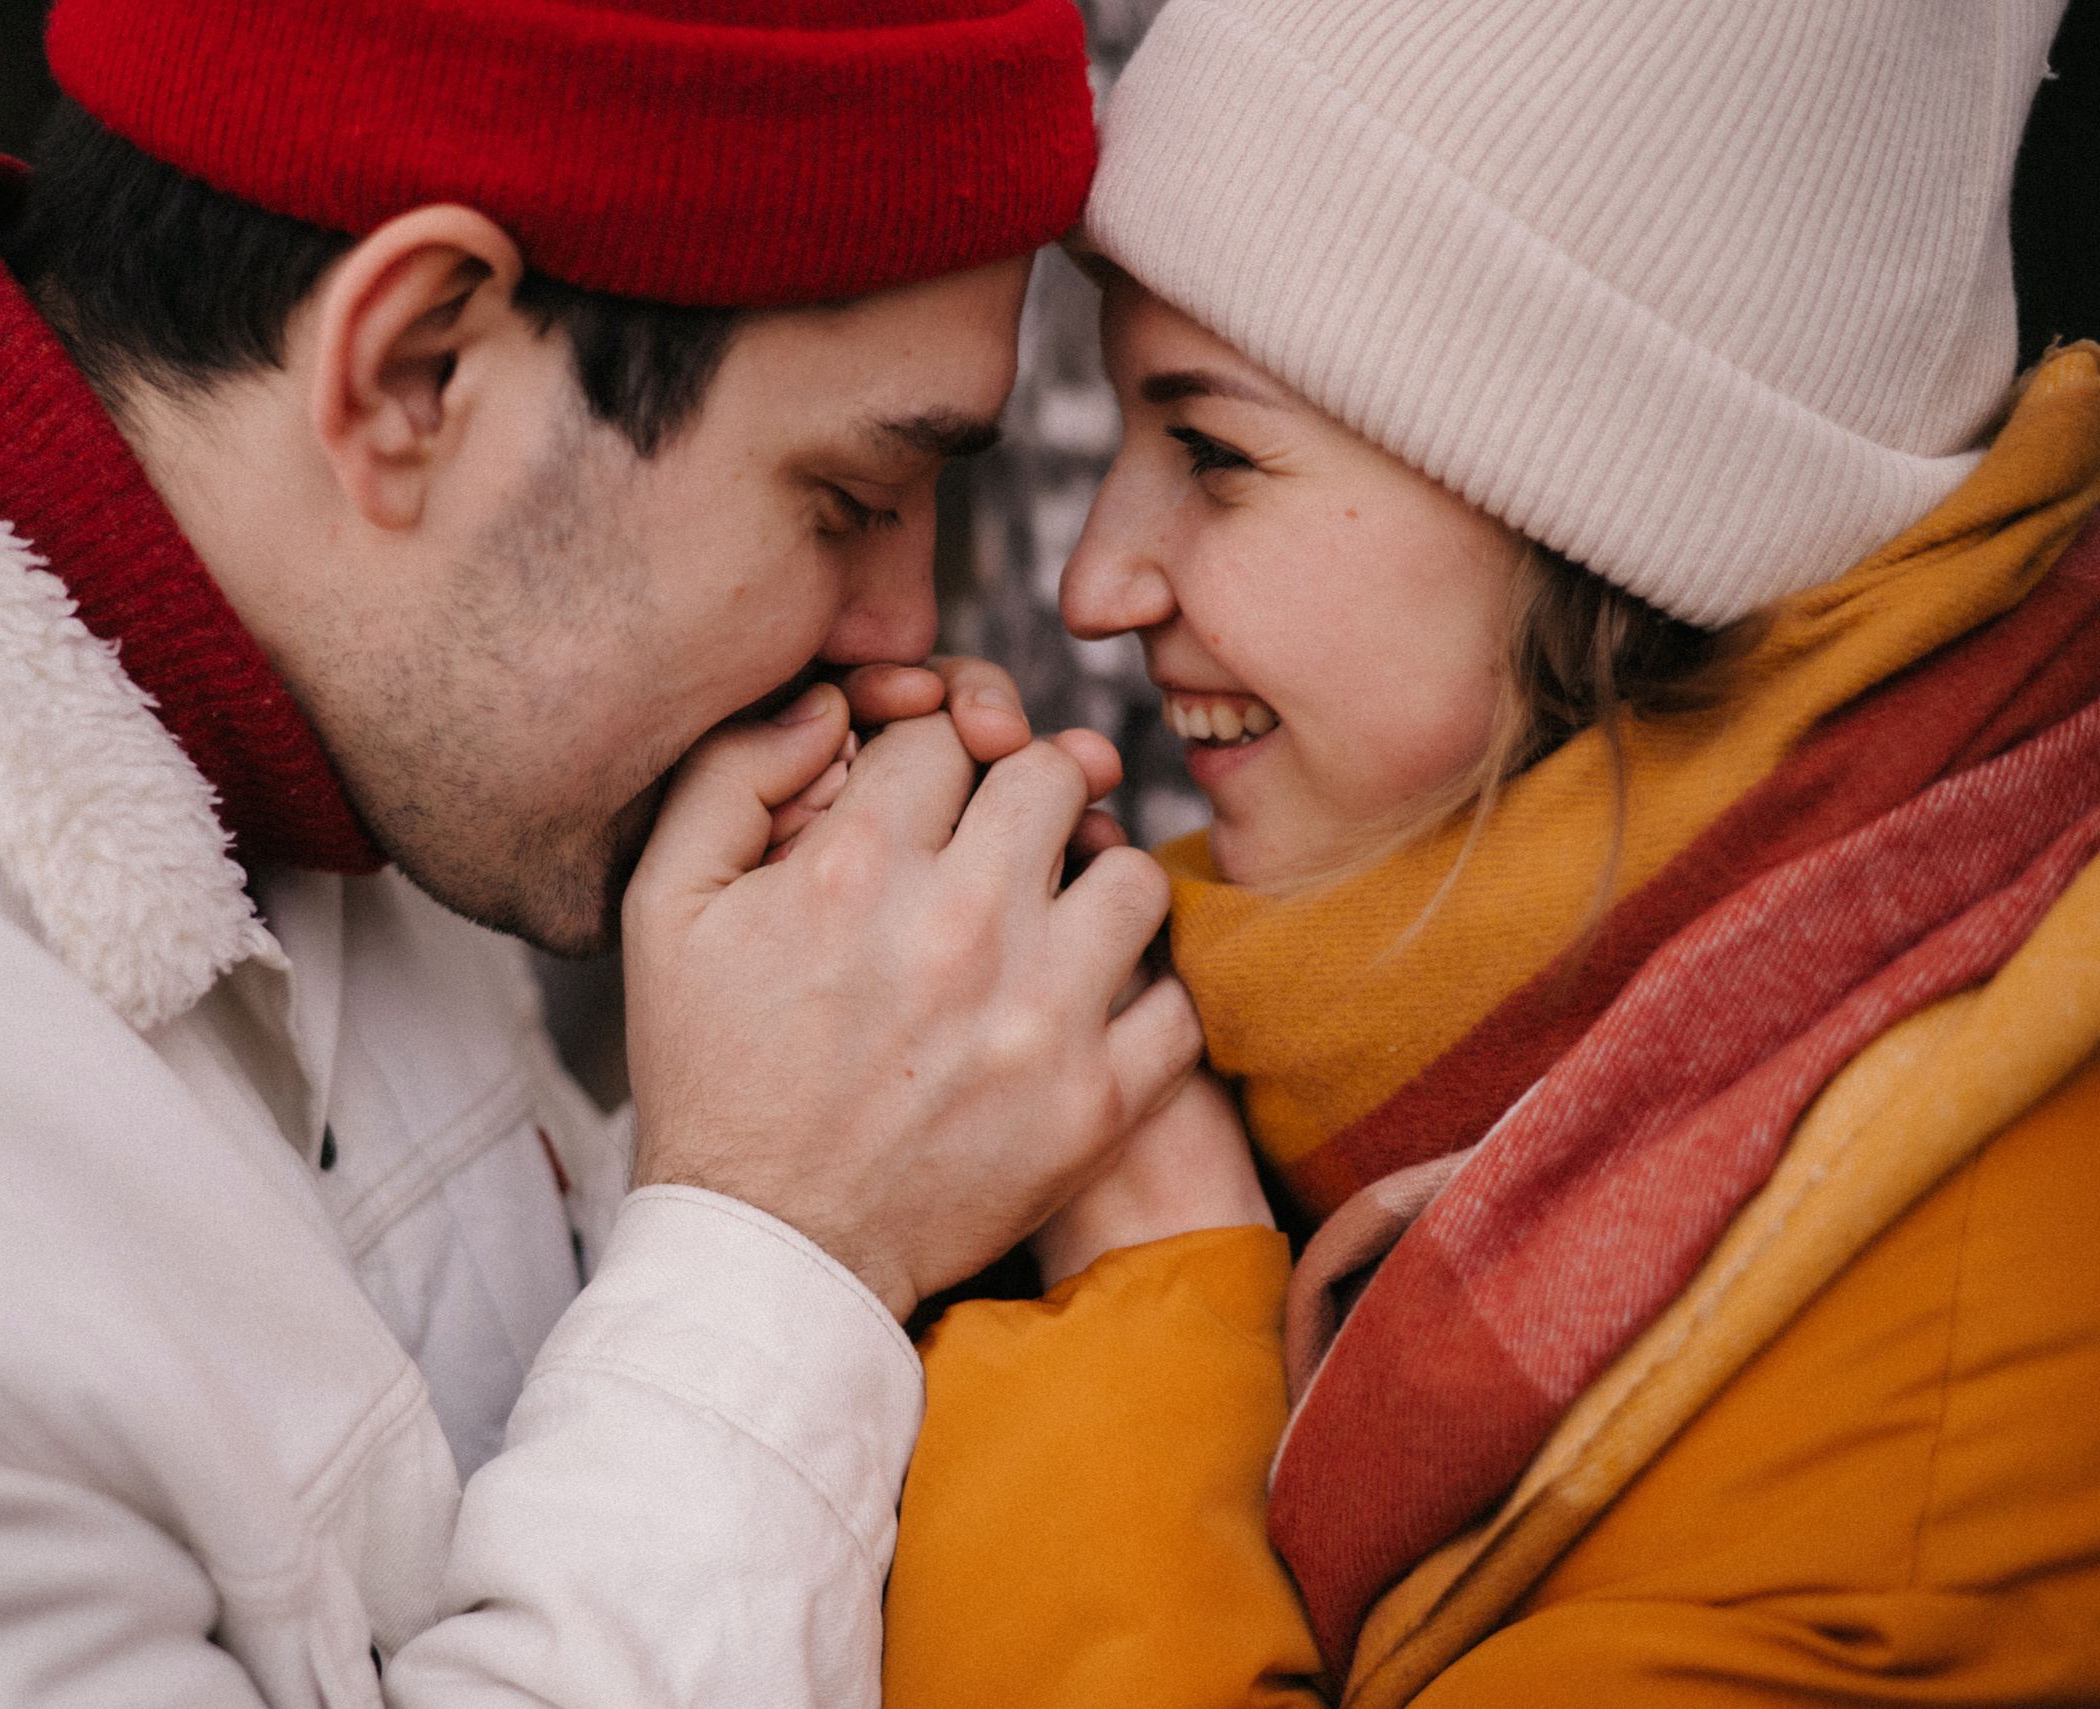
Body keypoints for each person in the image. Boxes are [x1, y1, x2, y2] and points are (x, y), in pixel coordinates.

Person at [0, 2, 1210, 1702]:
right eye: (849, 500)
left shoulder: (311, 684)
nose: (899, 631)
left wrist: (907, 1141)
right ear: (415, 370)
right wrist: (799, 1237)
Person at [881, 0, 2100, 1703]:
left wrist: (1145, 1277)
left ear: (1607, 516)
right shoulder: (1413, 1003)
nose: (1098, 583)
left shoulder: (1941, 1408)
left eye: (1215, 454)